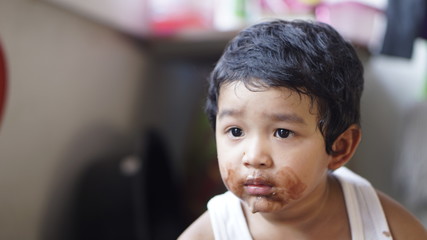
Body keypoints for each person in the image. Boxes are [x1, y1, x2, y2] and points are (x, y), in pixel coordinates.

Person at [178, 19, 427, 239]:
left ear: (340, 148)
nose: (254, 157)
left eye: (282, 133)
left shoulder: (383, 225)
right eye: (235, 131)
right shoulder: (213, 232)